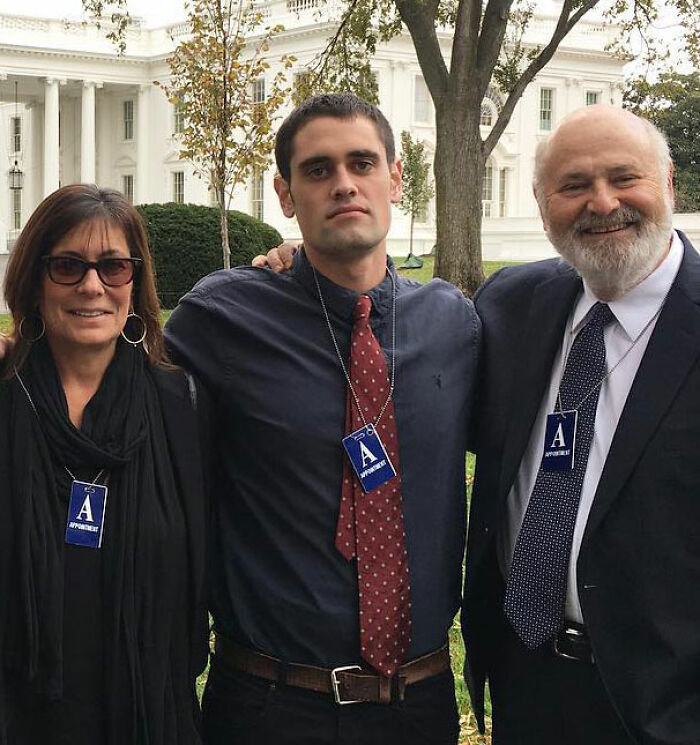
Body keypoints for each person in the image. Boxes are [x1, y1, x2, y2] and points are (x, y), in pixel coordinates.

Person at [165, 93, 479, 745]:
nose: (343, 184)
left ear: (395, 178)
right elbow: (113, 393)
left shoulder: (457, 325)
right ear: (285, 194)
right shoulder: (221, 319)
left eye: (362, 163)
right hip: (270, 705)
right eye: (317, 170)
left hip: (418, 708)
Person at [462, 104, 700, 744]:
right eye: (573, 186)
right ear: (542, 207)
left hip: (664, 705)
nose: (602, 203)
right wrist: (307, 273)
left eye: (625, 178)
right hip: (526, 683)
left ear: (669, 185)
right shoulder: (510, 307)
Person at [0, 185, 210, 745]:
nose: (92, 286)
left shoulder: (178, 403)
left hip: (147, 713)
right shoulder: (4, 395)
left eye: (113, 267)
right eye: (67, 266)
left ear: (134, 283)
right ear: (34, 279)